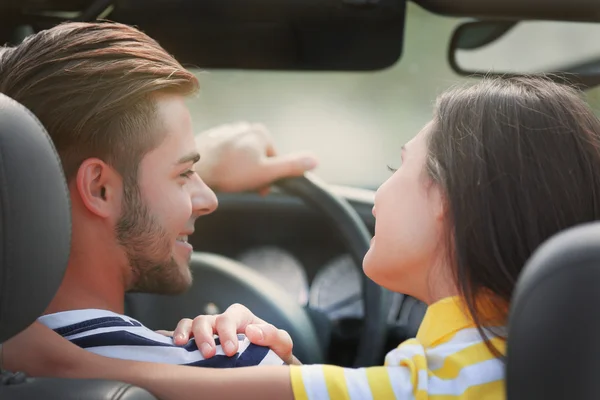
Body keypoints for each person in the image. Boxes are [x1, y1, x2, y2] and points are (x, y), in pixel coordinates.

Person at [8, 75, 600, 399]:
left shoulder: (462, 373)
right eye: (183, 176)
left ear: (448, 202)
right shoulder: (497, 352)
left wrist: (58, 360)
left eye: (399, 169)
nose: (383, 191)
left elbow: (259, 394)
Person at [0, 21, 317, 367]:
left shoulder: (18, 355)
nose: (209, 200)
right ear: (99, 188)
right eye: (183, 174)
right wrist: (270, 362)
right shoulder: (235, 373)